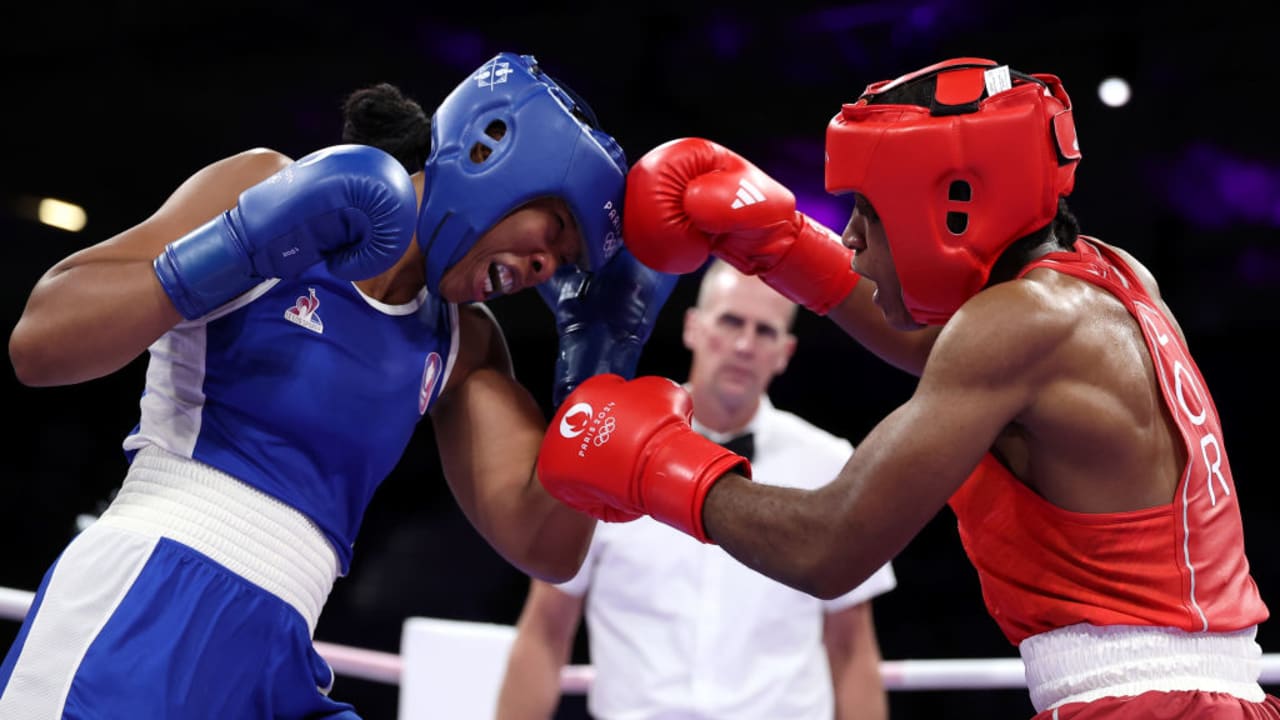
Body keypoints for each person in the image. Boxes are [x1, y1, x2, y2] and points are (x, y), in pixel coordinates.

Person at [534, 57, 1280, 718]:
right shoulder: (1108, 278)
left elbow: (830, 547)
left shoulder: (1023, 321)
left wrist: (653, 465)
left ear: (953, 202)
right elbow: (938, 347)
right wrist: (781, 246)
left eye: (867, 209)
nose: (851, 237)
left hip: (1142, 706)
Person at [0, 51, 674, 719]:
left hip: (277, 653)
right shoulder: (269, 187)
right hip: (145, 606)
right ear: (492, 155)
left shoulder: (464, 343)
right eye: (553, 230)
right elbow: (39, 345)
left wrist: (601, 370)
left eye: (562, 261)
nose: (542, 265)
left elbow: (548, 547)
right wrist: (243, 243)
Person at [495, 260, 896, 720]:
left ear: (784, 352)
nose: (744, 345)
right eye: (730, 321)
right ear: (693, 327)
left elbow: (852, 650)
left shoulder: (829, 463)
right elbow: (546, 629)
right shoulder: (605, 447)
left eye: (764, 332)